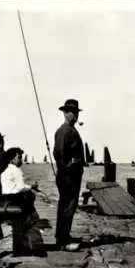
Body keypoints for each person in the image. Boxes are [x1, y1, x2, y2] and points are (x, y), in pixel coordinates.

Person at [0, 147, 45, 257]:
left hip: (6, 199)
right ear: (12, 159)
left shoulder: (7, 170)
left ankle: (22, 245)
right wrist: (32, 188)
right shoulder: (16, 170)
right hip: (14, 200)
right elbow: (20, 188)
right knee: (30, 210)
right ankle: (29, 243)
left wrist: (30, 187)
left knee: (29, 198)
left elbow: (16, 186)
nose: (21, 160)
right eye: (19, 158)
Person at [53, 99, 85, 251]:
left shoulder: (71, 130)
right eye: (72, 112)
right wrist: (69, 166)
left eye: (77, 112)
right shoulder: (64, 131)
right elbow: (59, 153)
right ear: (65, 113)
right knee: (67, 206)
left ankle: (64, 235)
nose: (75, 115)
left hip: (73, 176)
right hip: (68, 176)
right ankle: (62, 240)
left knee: (70, 206)